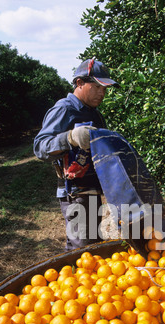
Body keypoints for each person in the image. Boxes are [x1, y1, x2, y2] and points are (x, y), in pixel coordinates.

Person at [33, 58, 119, 250]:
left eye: (105, 89)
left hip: (91, 190)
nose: (102, 93)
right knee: (84, 250)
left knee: (87, 245)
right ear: (79, 83)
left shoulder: (93, 113)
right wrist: (69, 137)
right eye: (97, 87)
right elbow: (40, 147)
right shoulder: (65, 109)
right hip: (75, 192)